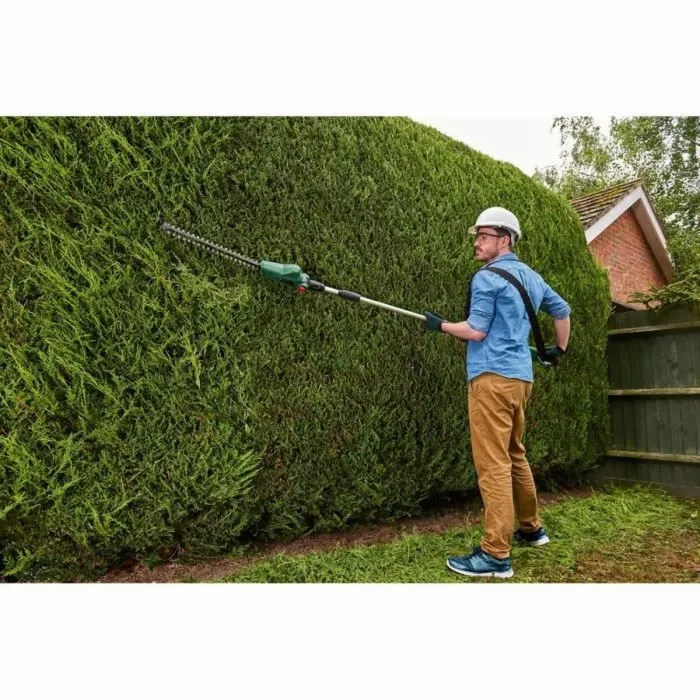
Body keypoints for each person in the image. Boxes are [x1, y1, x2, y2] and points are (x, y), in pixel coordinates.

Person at [424, 207, 571, 578]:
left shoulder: (486, 278)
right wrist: (558, 350)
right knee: (515, 454)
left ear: (504, 240)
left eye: (483, 236)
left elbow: (475, 331)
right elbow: (562, 310)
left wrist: (440, 325)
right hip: (521, 381)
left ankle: (495, 555)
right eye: (477, 236)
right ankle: (532, 529)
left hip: (491, 379)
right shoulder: (532, 277)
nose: (477, 242)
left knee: (493, 465)